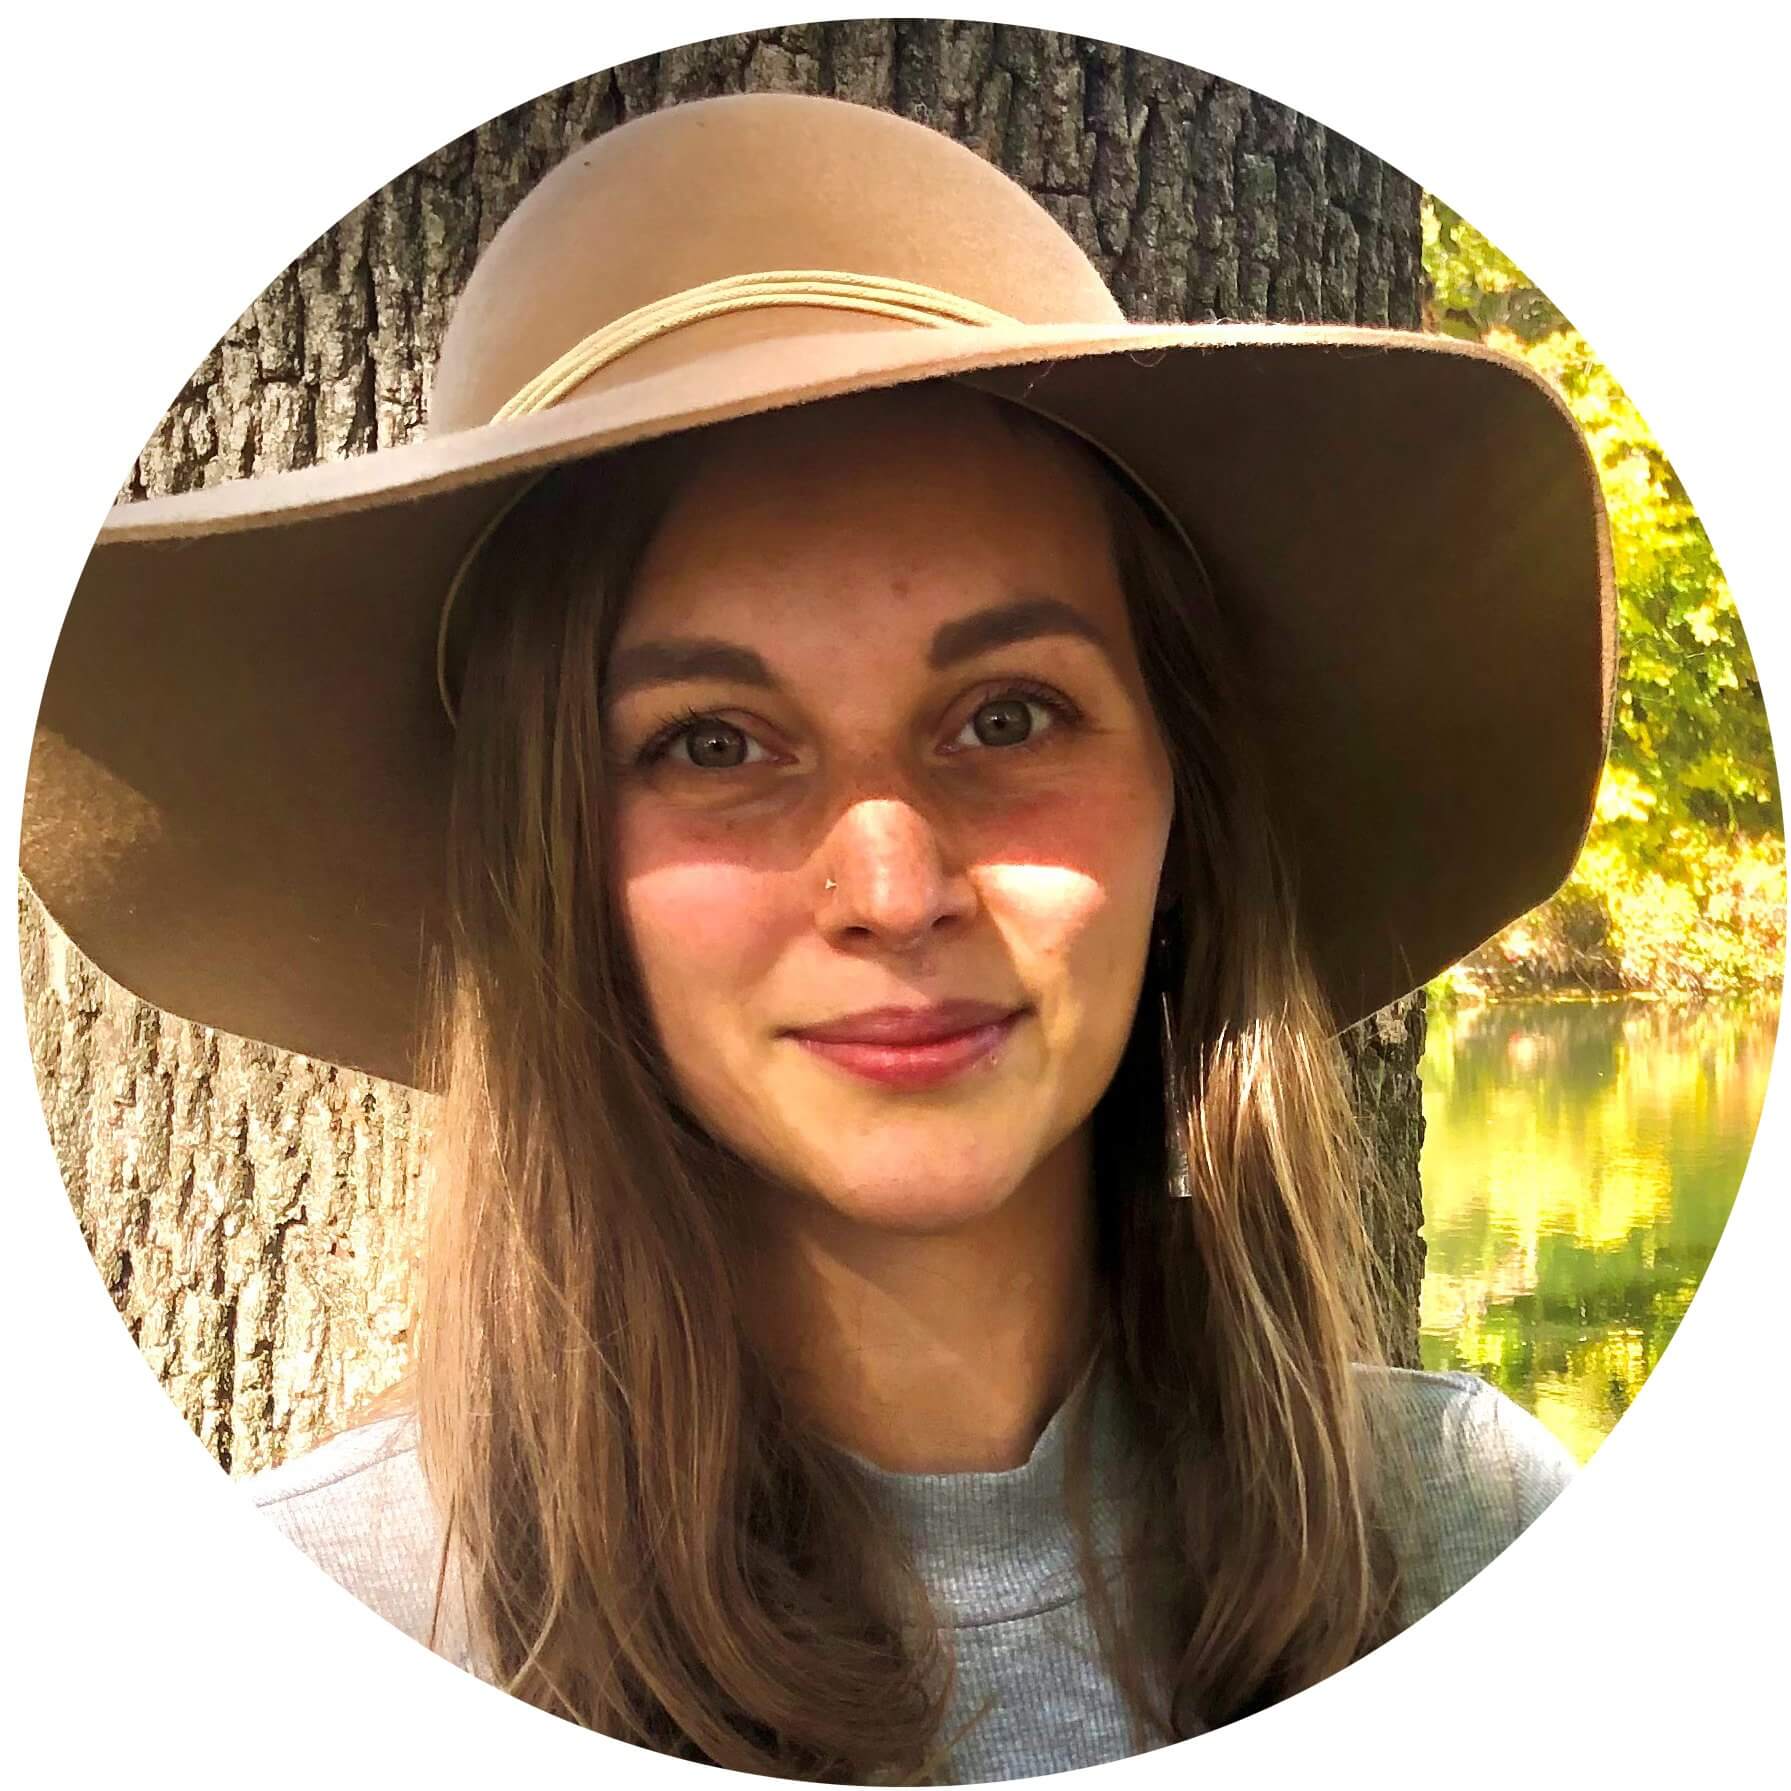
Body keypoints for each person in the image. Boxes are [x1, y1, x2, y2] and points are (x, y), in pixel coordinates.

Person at [22, 91, 1612, 1783]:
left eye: (1007, 717)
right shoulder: (285, 1651)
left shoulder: (1467, 1547)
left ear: (1182, 805)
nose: (890, 882)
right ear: (550, 867)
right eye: (713, 742)